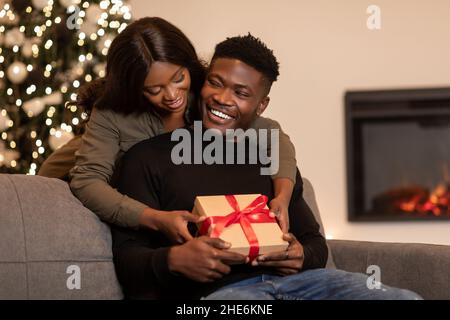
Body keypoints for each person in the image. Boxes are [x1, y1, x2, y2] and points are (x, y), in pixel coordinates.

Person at [111, 34, 422, 300]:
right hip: (221, 295)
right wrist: (175, 260)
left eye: (241, 93)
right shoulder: (147, 158)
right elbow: (127, 259)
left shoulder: (269, 156)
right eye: (215, 83)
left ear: (261, 106)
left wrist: (300, 255)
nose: (221, 98)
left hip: (302, 285)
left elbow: (312, 240)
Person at [37, 17, 296, 239]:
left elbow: (272, 135)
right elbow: (87, 180)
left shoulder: (205, 94)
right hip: (63, 166)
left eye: (178, 78)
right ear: (134, 87)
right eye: (155, 89)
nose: (172, 95)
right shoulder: (110, 114)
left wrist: (281, 199)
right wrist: (154, 218)